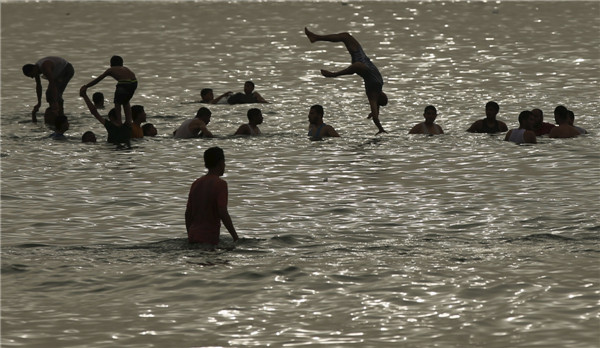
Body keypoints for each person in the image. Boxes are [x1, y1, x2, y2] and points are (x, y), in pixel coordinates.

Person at [305, 27, 388, 134]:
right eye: (385, 97)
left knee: (358, 66)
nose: (384, 96)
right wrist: (374, 112)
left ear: (379, 99)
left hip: (360, 66)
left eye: (383, 99)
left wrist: (380, 129)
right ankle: (316, 37)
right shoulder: (379, 87)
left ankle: (334, 74)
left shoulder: (372, 95)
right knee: (345, 36)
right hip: (362, 58)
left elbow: (376, 116)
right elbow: (376, 110)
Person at [185, 146, 239, 247]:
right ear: (220, 162)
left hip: (193, 236)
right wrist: (235, 237)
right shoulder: (220, 184)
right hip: (209, 238)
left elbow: (188, 213)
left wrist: (190, 235)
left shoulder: (196, 183)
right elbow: (222, 212)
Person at [81, 55, 137, 126]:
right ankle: (128, 121)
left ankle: (119, 121)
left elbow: (98, 79)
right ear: (122, 64)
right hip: (134, 83)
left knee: (117, 102)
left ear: (111, 64)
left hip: (124, 83)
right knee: (126, 101)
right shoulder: (126, 68)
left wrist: (86, 86)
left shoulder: (111, 69)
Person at [22, 56, 75, 123]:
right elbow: (38, 86)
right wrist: (39, 102)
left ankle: (60, 115)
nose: (33, 77)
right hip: (57, 73)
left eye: (32, 75)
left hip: (66, 70)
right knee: (50, 95)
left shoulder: (45, 67)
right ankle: (55, 113)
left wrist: (55, 100)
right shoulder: (37, 69)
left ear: (33, 69)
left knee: (54, 94)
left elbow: (52, 83)